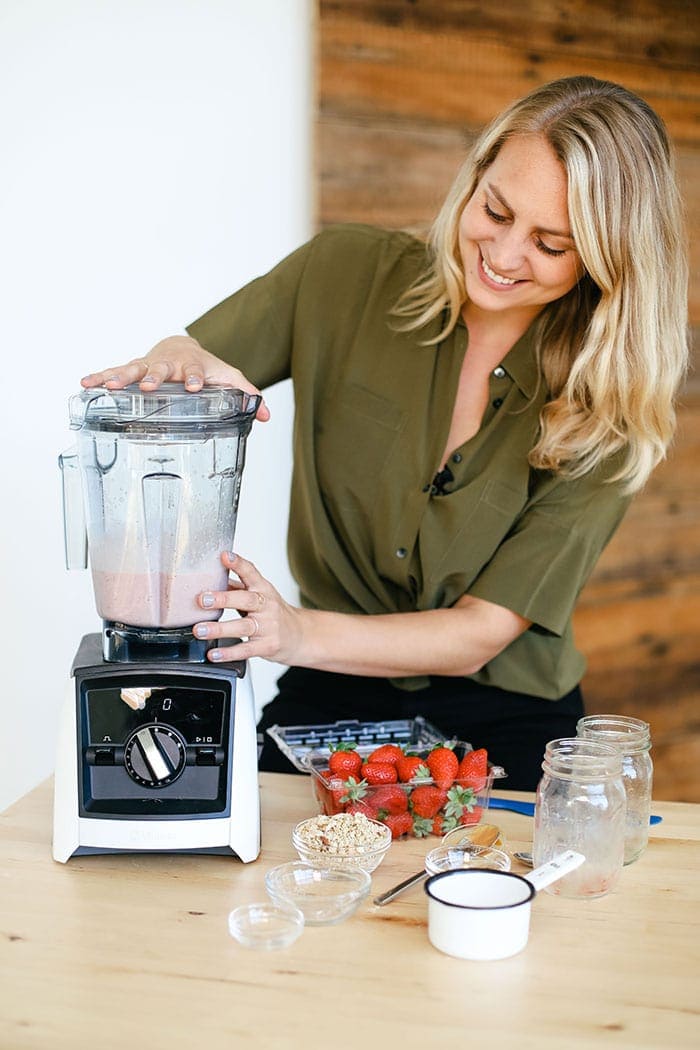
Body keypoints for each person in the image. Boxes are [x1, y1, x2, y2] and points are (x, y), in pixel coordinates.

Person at [81, 76, 688, 789]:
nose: (505, 253)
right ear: (476, 177)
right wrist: (173, 362)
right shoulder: (343, 276)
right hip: (333, 687)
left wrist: (295, 631)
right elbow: (195, 360)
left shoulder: (607, 408)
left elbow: (478, 635)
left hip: (507, 713)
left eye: (551, 244)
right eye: (494, 210)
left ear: (604, 261)